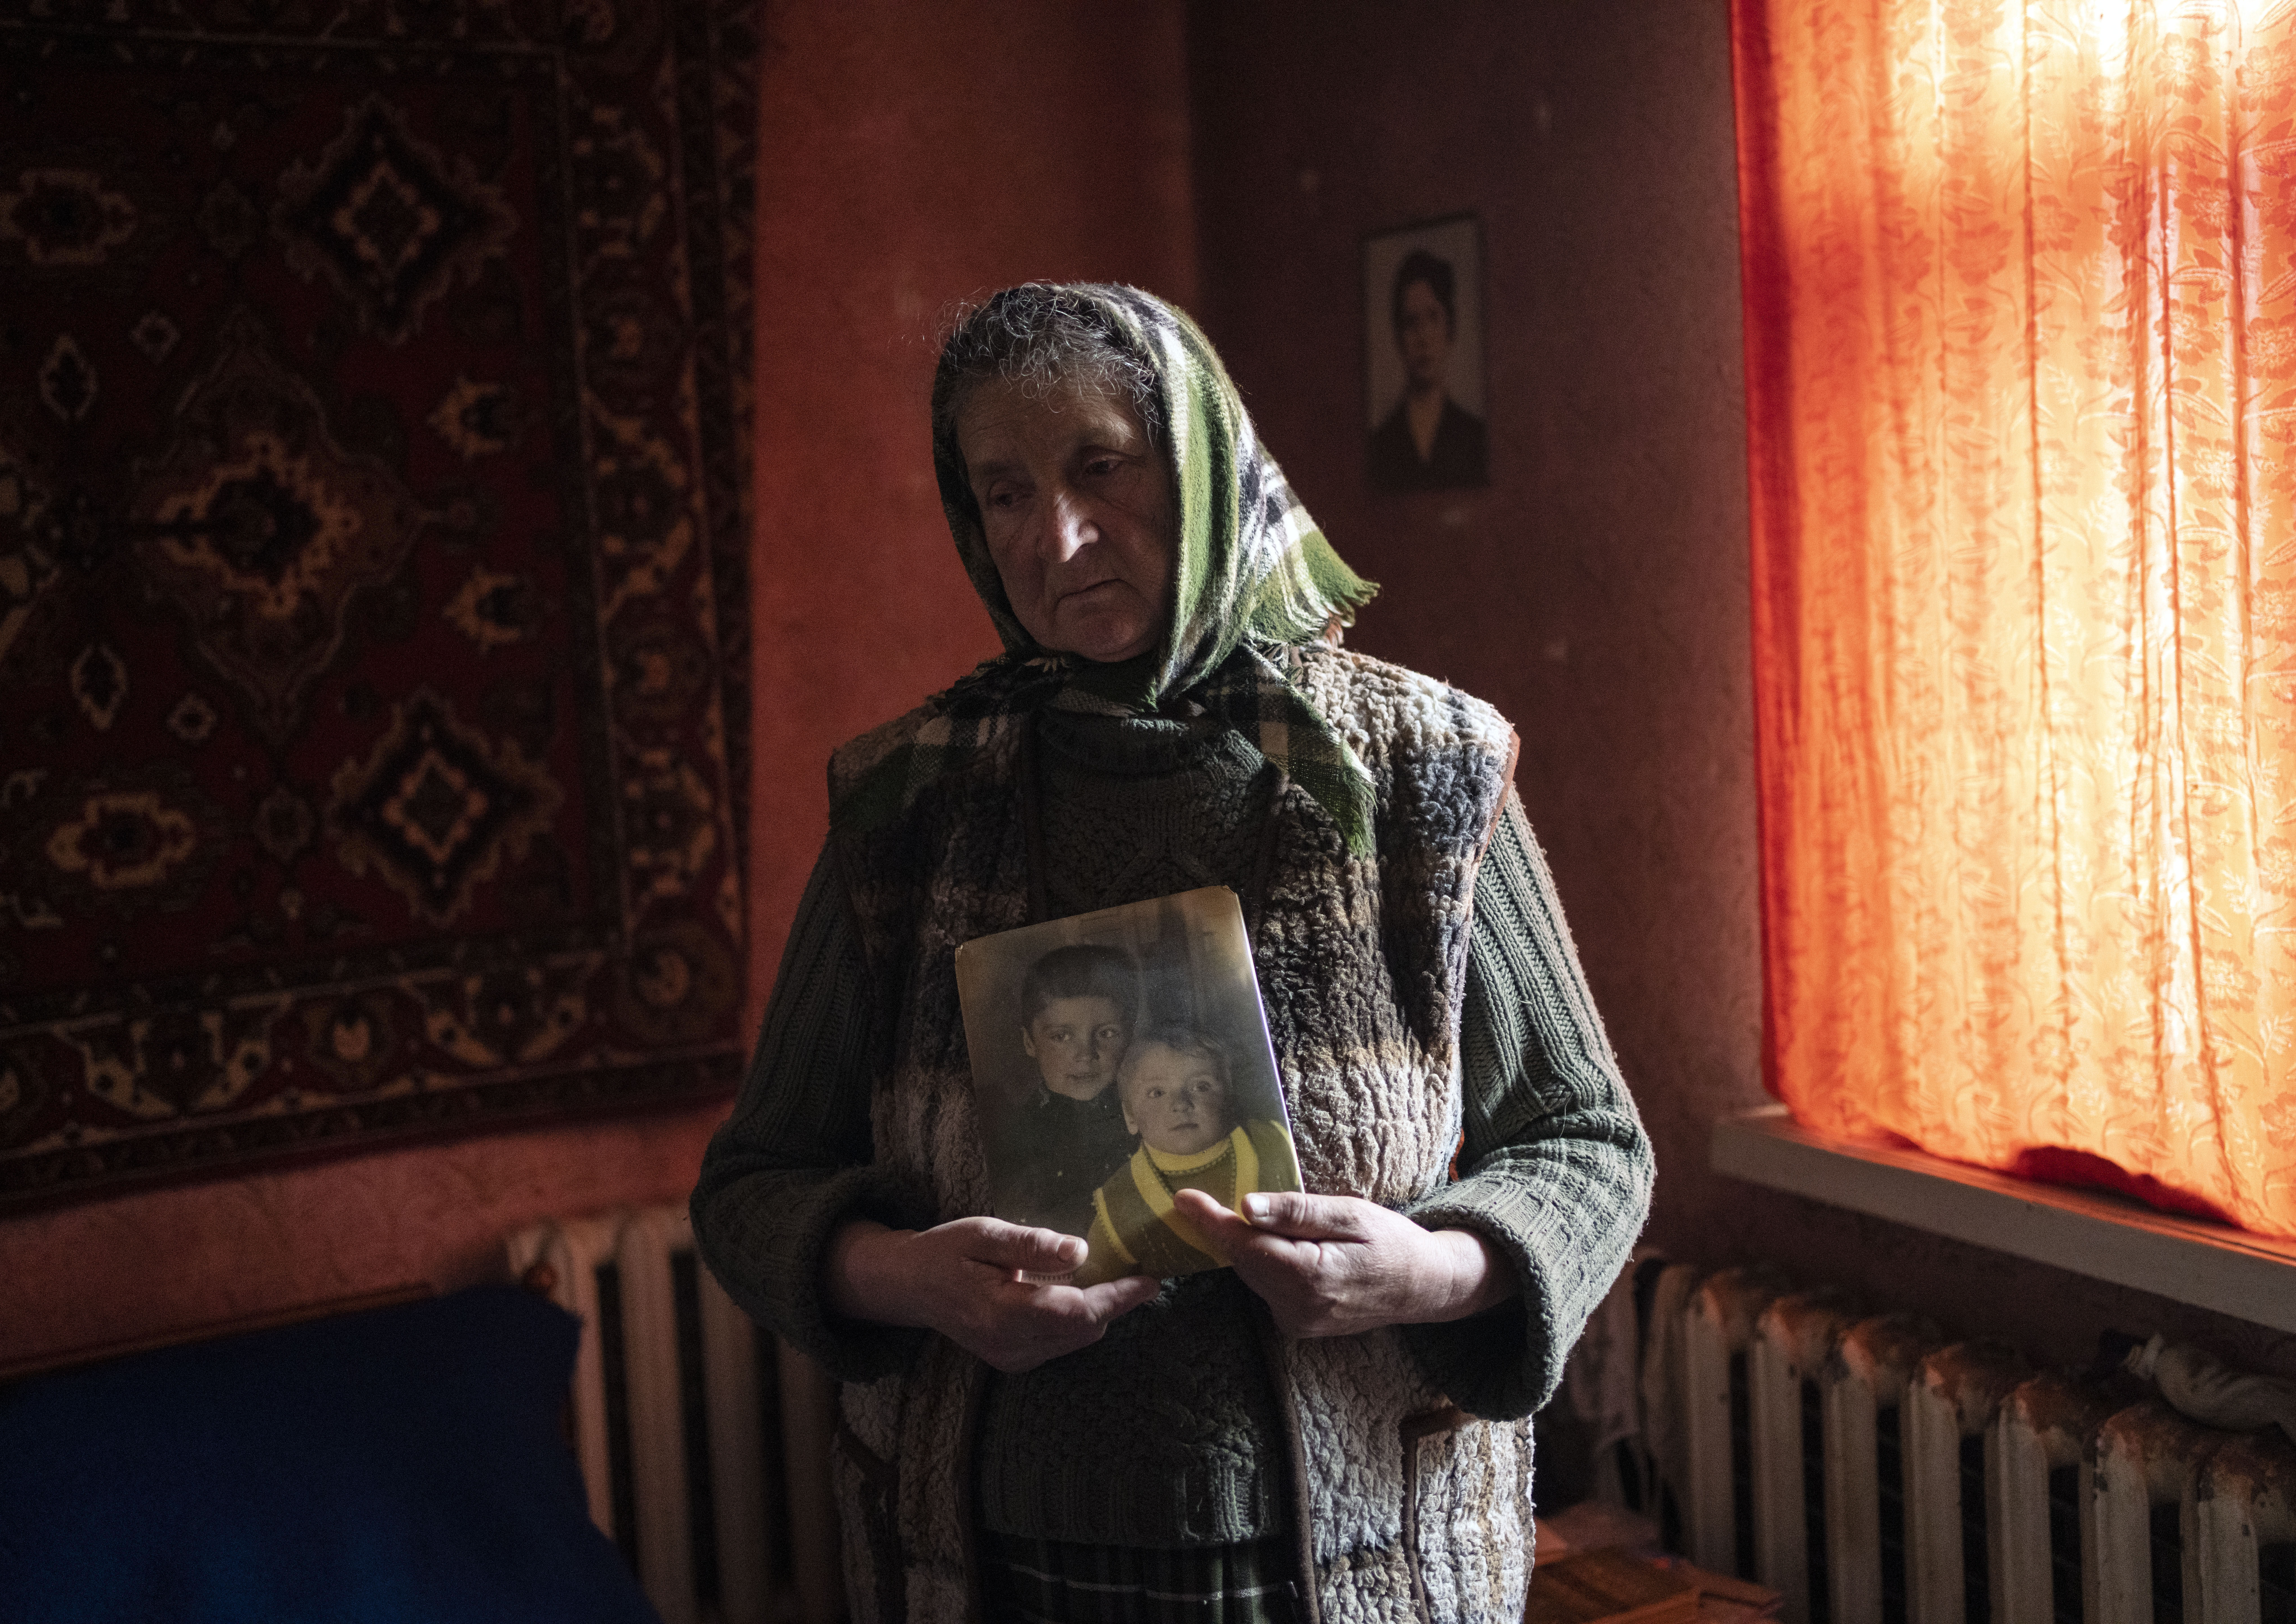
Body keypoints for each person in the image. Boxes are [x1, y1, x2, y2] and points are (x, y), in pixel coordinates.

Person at [694, 282, 1649, 1623]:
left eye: (1100, 467)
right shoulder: (910, 808)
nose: (1058, 536)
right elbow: (750, 1186)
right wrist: (913, 1278)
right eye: (1004, 492)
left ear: (1197, 460)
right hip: (994, 1573)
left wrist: (1428, 1270)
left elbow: (1590, 1140)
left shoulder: (1418, 772)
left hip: (1367, 1572)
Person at [1070, 1027, 1301, 1286]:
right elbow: (1091, 1287)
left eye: (1201, 1087)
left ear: (1228, 1096)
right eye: (1157, 1093)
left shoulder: (1273, 1143)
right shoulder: (1121, 1202)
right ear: (1130, 1116)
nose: (1181, 1104)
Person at [988, 944, 1142, 1241]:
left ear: (1130, 1034)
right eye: (1061, 1036)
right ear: (1030, 1043)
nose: (1086, 1054)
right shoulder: (1018, 1135)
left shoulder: (1150, 1111)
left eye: (1106, 1033)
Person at [1367, 249, 1488, 490]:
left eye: (1433, 318)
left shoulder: (1475, 438)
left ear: (1450, 329)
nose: (1423, 338)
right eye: (1411, 323)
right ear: (1399, 337)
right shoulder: (1380, 445)